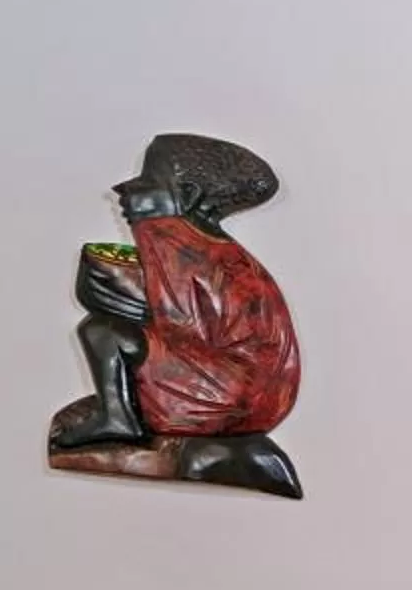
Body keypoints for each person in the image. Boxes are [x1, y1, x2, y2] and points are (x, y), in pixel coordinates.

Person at [50, 133, 302, 498]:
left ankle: (119, 418)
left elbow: (178, 325)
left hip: (231, 393)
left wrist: (118, 299)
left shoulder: (182, 250)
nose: (125, 196)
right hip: (256, 391)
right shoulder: (210, 250)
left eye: (145, 186)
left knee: (102, 331)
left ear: (187, 196)